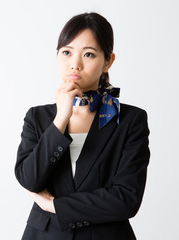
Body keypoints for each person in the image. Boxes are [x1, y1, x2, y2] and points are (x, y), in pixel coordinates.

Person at [14, 12, 150, 240]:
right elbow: (29, 180)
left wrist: (55, 205)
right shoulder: (37, 117)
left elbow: (127, 199)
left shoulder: (130, 119)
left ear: (108, 61)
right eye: (66, 52)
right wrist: (60, 119)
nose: (75, 64)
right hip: (45, 235)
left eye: (88, 54)